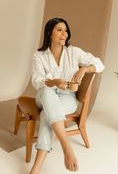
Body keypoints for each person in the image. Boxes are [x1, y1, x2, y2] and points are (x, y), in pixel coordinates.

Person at [29, 17, 104, 174]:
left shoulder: (74, 52)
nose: (64, 34)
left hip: (68, 97)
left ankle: (35, 170)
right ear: (50, 33)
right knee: (47, 92)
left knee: (46, 115)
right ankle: (66, 147)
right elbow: (37, 81)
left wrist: (84, 69)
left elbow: (99, 64)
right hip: (44, 95)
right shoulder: (39, 55)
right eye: (59, 30)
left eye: (66, 30)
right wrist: (54, 82)